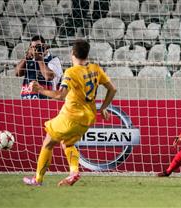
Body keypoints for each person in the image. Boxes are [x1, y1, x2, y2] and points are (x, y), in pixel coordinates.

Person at [23, 39, 117, 186]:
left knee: (48, 143)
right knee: (67, 143)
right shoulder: (95, 68)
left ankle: (37, 180)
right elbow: (113, 89)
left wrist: (40, 90)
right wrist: (103, 107)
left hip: (70, 116)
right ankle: (74, 172)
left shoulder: (71, 72)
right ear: (87, 54)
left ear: (72, 53)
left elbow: (61, 95)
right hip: (87, 119)